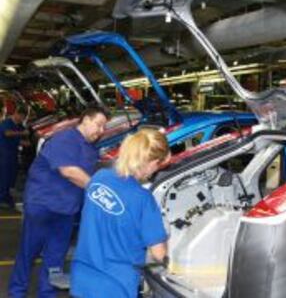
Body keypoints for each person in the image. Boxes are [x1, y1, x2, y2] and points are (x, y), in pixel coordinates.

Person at [8, 106, 109, 298]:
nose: (101, 131)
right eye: (99, 125)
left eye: (104, 127)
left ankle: (46, 293)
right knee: (29, 251)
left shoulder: (90, 148)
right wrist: (100, 192)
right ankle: (16, 292)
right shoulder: (65, 139)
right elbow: (69, 171)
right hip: (43, 205)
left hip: (66, 209)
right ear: (86, 119)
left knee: (56, 256)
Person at [70, 128, 170, 298]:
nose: (156, 170)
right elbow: (159, 254)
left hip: (82, 278)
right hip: (116, 286)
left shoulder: (99, 178)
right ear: (151, 162)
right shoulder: (143, 199)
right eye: (159, 165)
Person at [0, 105, 29, 209]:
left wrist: (25, 140)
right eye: (21, 117)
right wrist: (22, 133)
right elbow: (7, 133)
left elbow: (19, 137)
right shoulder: (7, 123)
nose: (22, 120)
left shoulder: (18, 124)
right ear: (17, 114)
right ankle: (2, 199)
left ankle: (7, 196)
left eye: (23, 118)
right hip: (4, 154)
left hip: (13, 154)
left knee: (11, 176)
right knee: (4, 176)